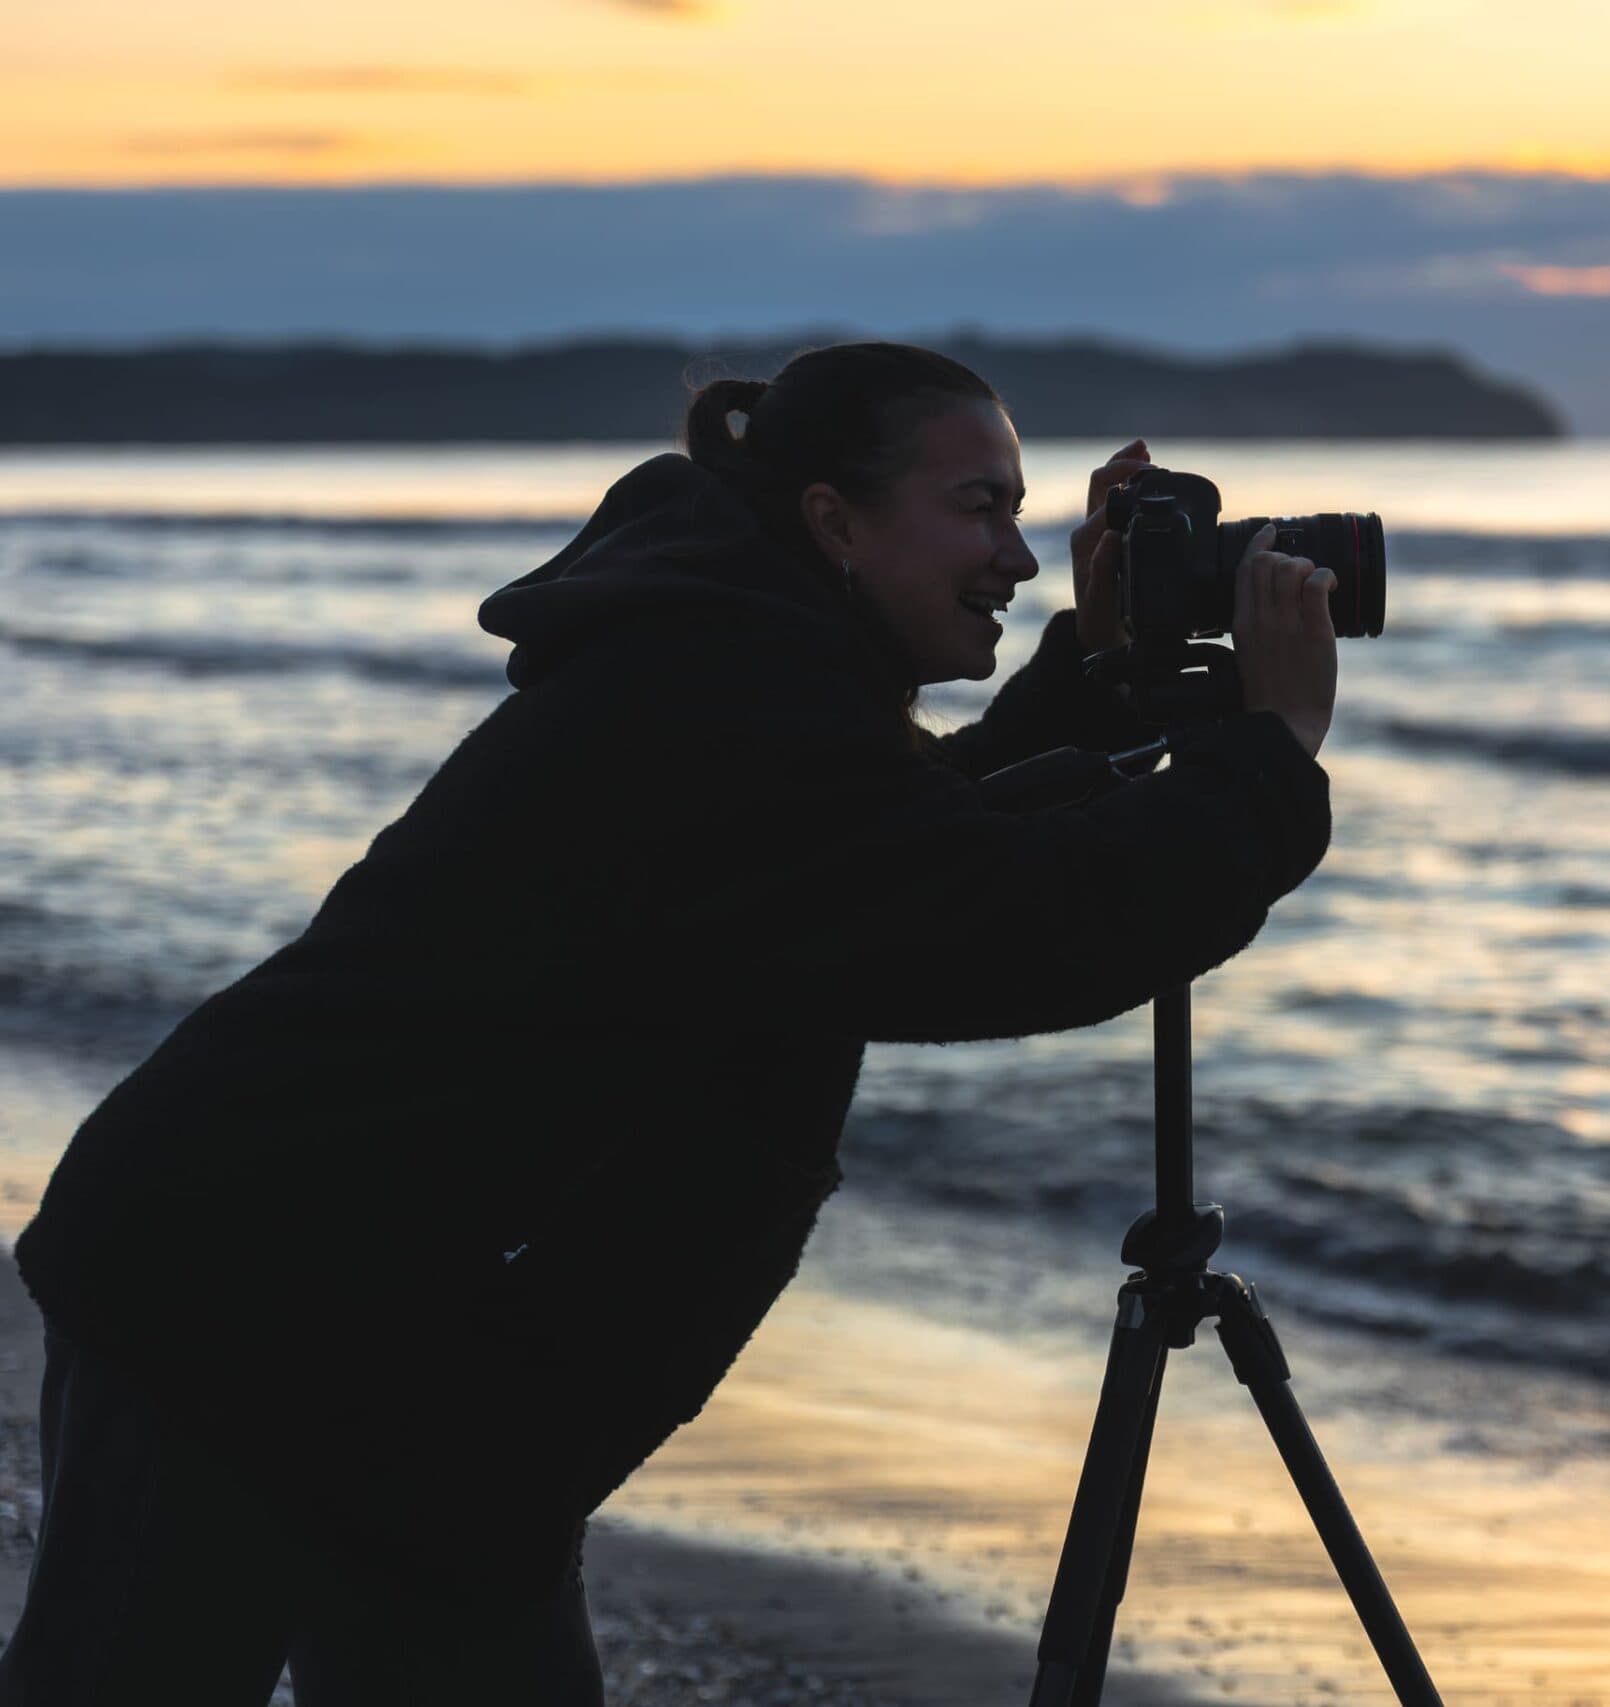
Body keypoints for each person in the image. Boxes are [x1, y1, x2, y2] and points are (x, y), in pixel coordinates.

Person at [0, 342, 1338, 1703]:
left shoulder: (740, 667)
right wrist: (1264, 759)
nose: (1019, 556)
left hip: (412, 1354)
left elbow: (893, 850)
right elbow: (998, 929)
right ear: (835, 521)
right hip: (246, 1301)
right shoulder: (719, 699)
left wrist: (1101, 677)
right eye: (979, 507)